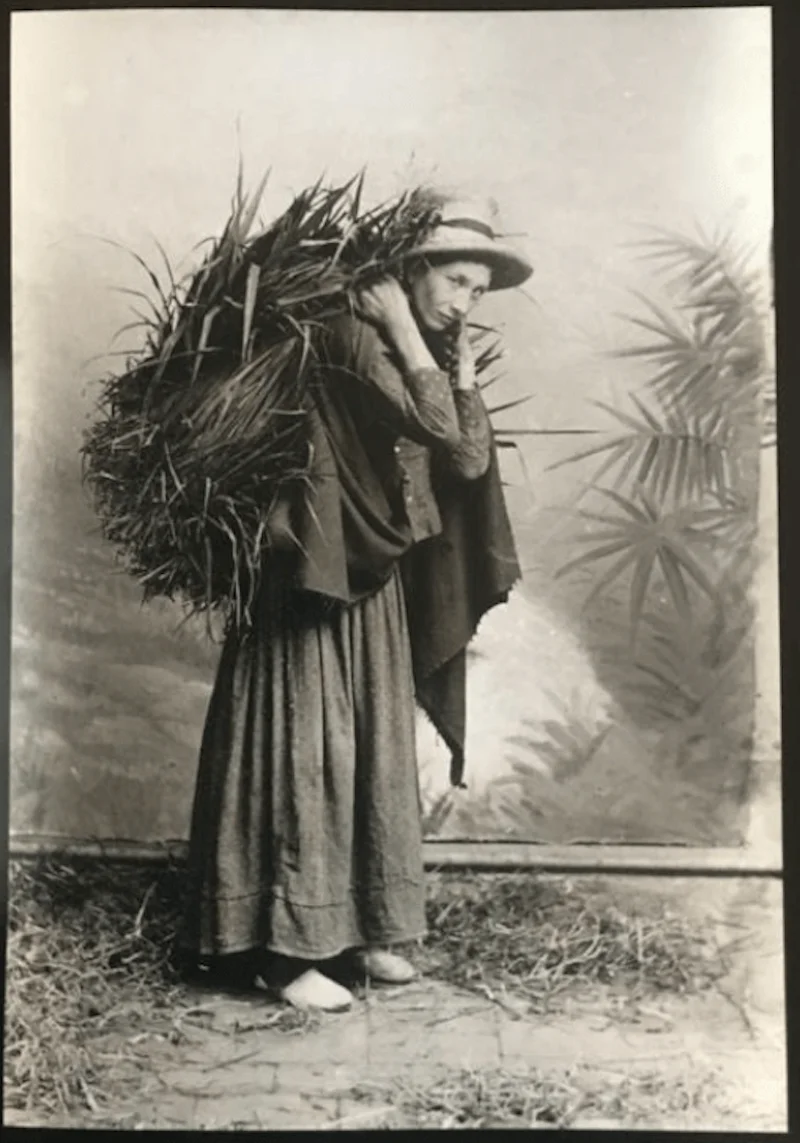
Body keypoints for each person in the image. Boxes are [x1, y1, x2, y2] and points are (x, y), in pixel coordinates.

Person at [177, 191, 533, 1011]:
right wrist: (414, 340)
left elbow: (470, 459)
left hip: (370, 569)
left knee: (369, 740)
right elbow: (441, 430)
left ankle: (362, 930)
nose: (465, 303)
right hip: (311, 567)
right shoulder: (350, 332)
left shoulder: (415, 347)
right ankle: (279, 947)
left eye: (479, 289)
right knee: (306, 740)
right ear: (408, 271)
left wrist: (456, 367)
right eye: (455, 281)